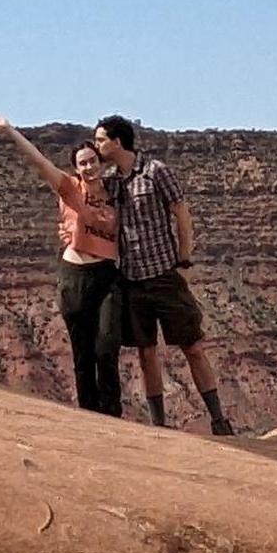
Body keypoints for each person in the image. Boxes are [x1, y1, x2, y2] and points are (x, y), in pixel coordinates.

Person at [91, 115, 236, 434]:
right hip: (132, 280)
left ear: (117, 142)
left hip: (164, 274)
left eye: (101, 139)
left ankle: (218, 419)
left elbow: (181, 214)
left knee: (192, 346)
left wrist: (184, 261)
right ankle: (159, 424)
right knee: (145, 353)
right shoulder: (112, 181)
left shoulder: (156, 172)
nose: (98, 144)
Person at [0, 112, 123, 415]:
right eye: (82, 163)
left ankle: (113, 413)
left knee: (107, 348)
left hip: (108, 274)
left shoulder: (117, 192)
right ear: (76, 168)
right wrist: (9, 131)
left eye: (92, 161)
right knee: (83, 354)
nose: (88, 167)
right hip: (75, 276)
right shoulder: (70, 188)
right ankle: (91, 416)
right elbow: (39, 163)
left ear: (101, 162)